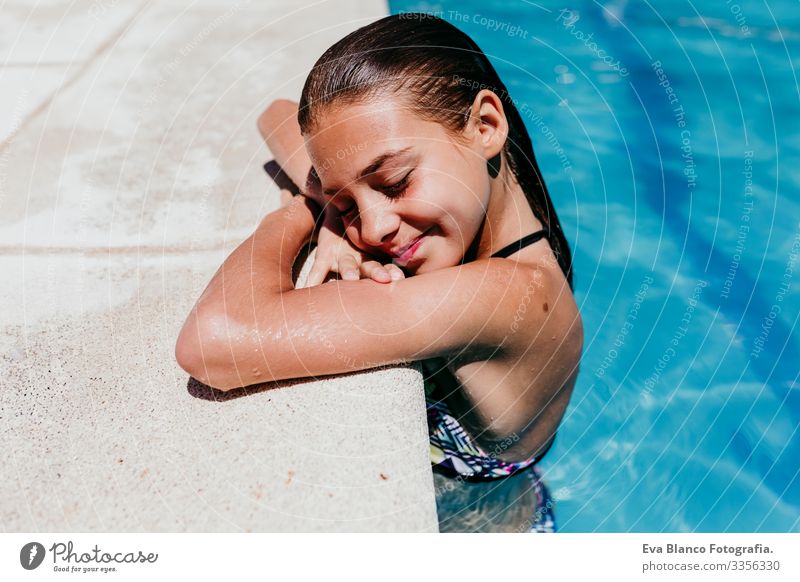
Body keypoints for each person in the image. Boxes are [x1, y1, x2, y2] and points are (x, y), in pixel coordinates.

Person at [175, 13, 583, 532]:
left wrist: (294, 215)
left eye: (393, 182)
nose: (372, 228)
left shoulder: (510, 294)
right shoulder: (482, 220)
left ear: (485, 126)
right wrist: (331, 207)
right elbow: (276, 116)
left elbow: (215, 343)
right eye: (348, 203)